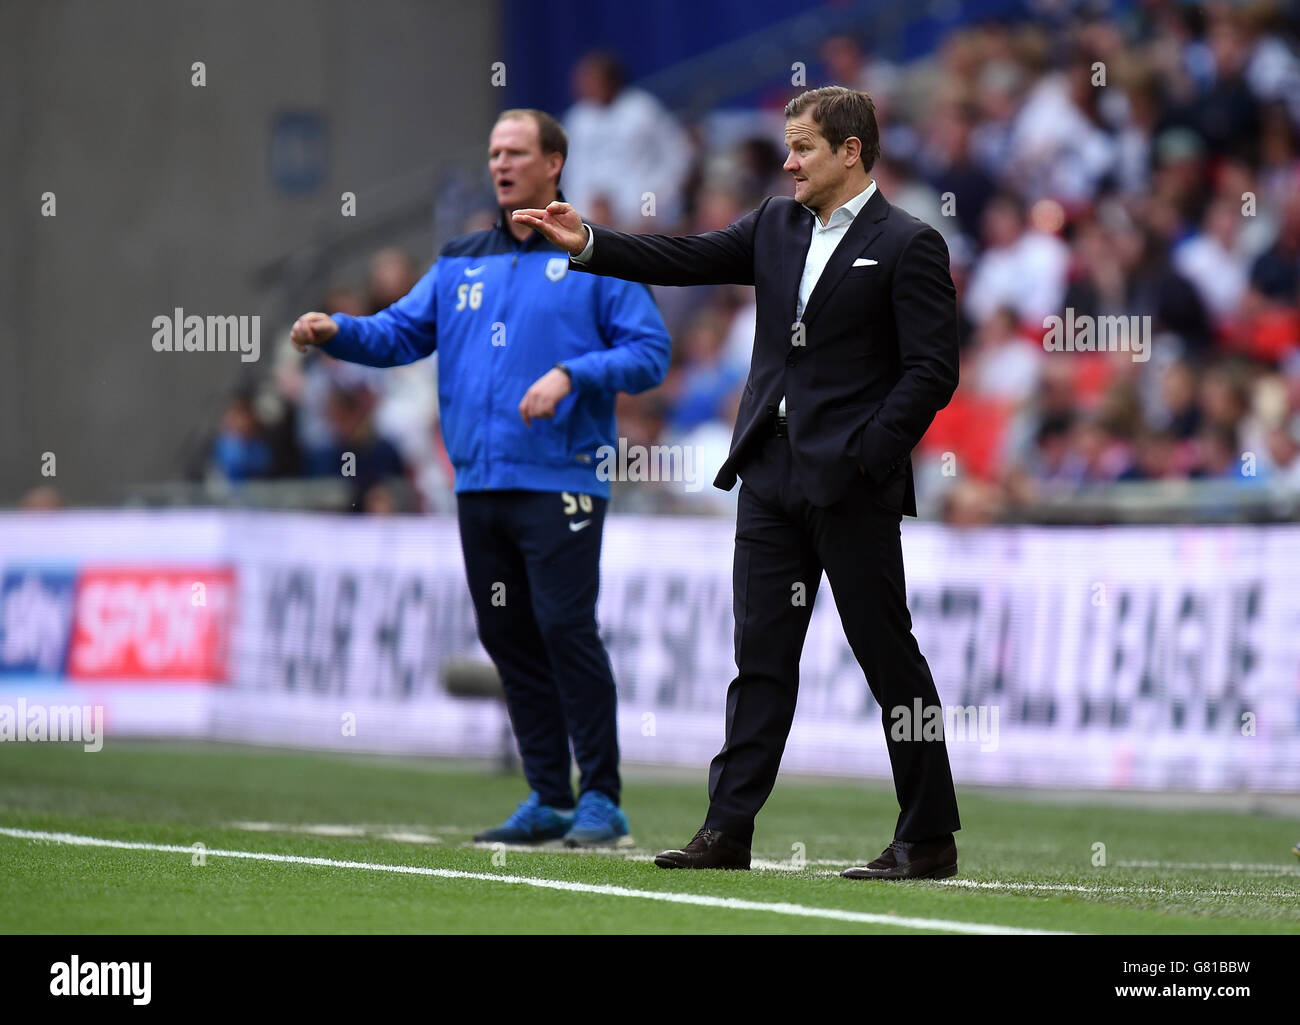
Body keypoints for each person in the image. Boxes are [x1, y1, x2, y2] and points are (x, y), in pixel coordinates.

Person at [515, 86, 963, 879]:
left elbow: (933, 372)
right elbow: (682, 258)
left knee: (888, 659)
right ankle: (726, 831)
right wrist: (588, 242)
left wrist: (869, 454)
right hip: (768, 474)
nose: (787, 160)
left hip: (850, 483)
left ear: (851, 151)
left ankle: (927, 836)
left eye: (803, 148)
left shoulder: (909, 243)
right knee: (759, 658)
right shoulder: (775, 224)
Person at [291, 109, 671, 847]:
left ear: (554, 163)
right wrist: (340, 330)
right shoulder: (461, 257)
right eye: (495, 152)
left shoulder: (595, 256)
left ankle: (604, 798)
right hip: (479, 482)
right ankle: (548, 796)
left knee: (565, 628)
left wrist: (572, 372)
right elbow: (400, 331)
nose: (501, 164)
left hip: (562, 477)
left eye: (517, 152)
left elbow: (650, 353)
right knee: (509, 637)